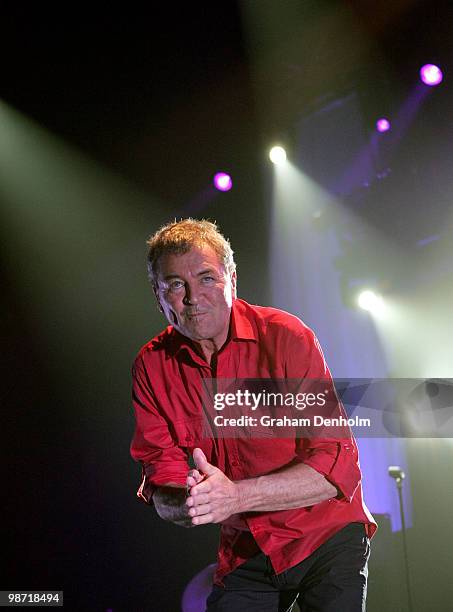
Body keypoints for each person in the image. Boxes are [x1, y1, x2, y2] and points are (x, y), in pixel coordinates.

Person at [130, 218, 376, 611]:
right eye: (176, 285)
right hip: (248, 546)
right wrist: (194, 502)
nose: (193, 297)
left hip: (325, 532)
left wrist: (234, 496)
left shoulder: (286, 337)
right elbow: (162, 483)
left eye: (207, 278)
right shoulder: (151, 366)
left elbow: (336, 466)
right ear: (158, 296)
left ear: (232, 280)